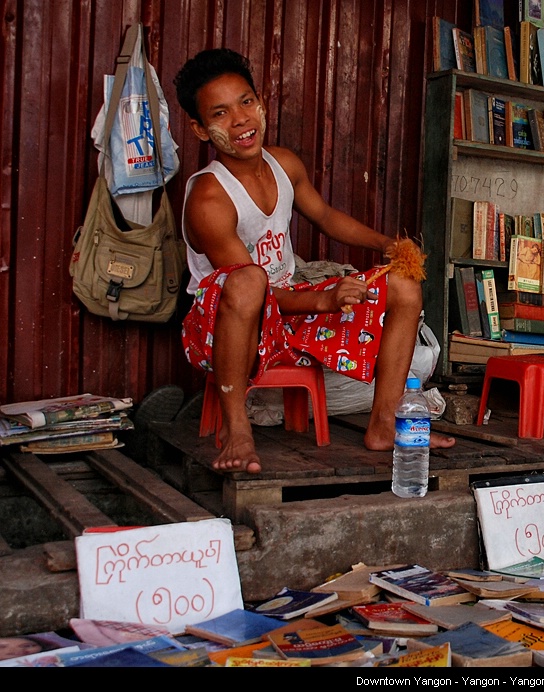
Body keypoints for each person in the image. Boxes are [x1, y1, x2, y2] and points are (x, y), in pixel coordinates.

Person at [172, 49, 454, 474]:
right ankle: (237, 428)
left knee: (403, 285)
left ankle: (384, 422)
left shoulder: (283, 164)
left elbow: (324, 216)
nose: (242, 120)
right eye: (221, 113)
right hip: (227, 330)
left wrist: (388, 245)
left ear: (261, 102)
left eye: (247, 102)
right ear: (199, 128)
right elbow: (257, 292)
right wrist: (325, 301)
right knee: (248, 279)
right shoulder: (209, 198)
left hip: (289, 312)